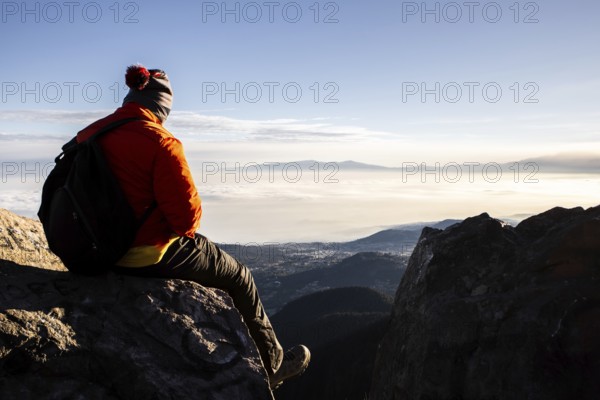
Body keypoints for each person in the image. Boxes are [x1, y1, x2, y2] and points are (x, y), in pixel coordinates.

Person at [76, 65, 310, 390]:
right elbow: (186, 222)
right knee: (239, 276)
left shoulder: (89, 134)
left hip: (89, 250)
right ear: (162, 105)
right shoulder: (161, 142)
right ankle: (272, 365)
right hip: (143, 256)